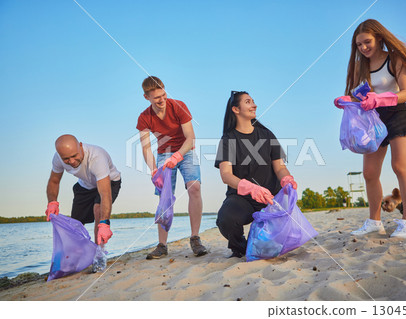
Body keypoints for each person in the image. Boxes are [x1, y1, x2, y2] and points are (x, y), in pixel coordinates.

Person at [335, 19, 406, 238]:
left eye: (367, 42)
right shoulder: (359, 66)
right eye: (359, 45)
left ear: (379, 38)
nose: (363, 48)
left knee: (400, 166)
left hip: (398, 114)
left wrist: (381, 98)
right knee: (369, 172)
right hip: (373, 120)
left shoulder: (395, 59)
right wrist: (346, 100)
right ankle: (374, 222)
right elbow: (356, 95)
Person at [215, 91, 298, 258]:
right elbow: (226, 174)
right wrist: (250, 188)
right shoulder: (228, 139)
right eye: (248, 102)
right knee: (226, 219)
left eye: (253, 101)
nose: (254, 105)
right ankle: (242, 248)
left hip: (270, 198)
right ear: (236, 109)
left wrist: (286, 179)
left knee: (285, 236)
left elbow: (280, 167)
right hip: (242, 199)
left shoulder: (267, 135)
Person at [137, 76, 207, 259]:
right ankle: (162, 245)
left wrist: (178, 156)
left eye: (163, 95)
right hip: (164, 153)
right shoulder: (144, 117)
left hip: (186, 150)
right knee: (164, 194)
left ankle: (195, 238)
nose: (162, 100)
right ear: (147, 98)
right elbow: (145, 147)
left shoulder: (178, 106)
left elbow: (190, 137)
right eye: (157, 97)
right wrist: (154, 169)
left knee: (195, 187)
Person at [45, 134, 121, 245]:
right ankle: (77, 255)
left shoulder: (97, 157)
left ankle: (99, 253)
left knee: (98, 209)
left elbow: (105, 193)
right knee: (75, 223)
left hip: (110, 182)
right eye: (66, 159)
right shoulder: (57, 159)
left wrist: (105, 223)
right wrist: (52, 202)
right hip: (85, 185)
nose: (71, 161)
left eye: (74, 156)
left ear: (80, 146)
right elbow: (54, 181)